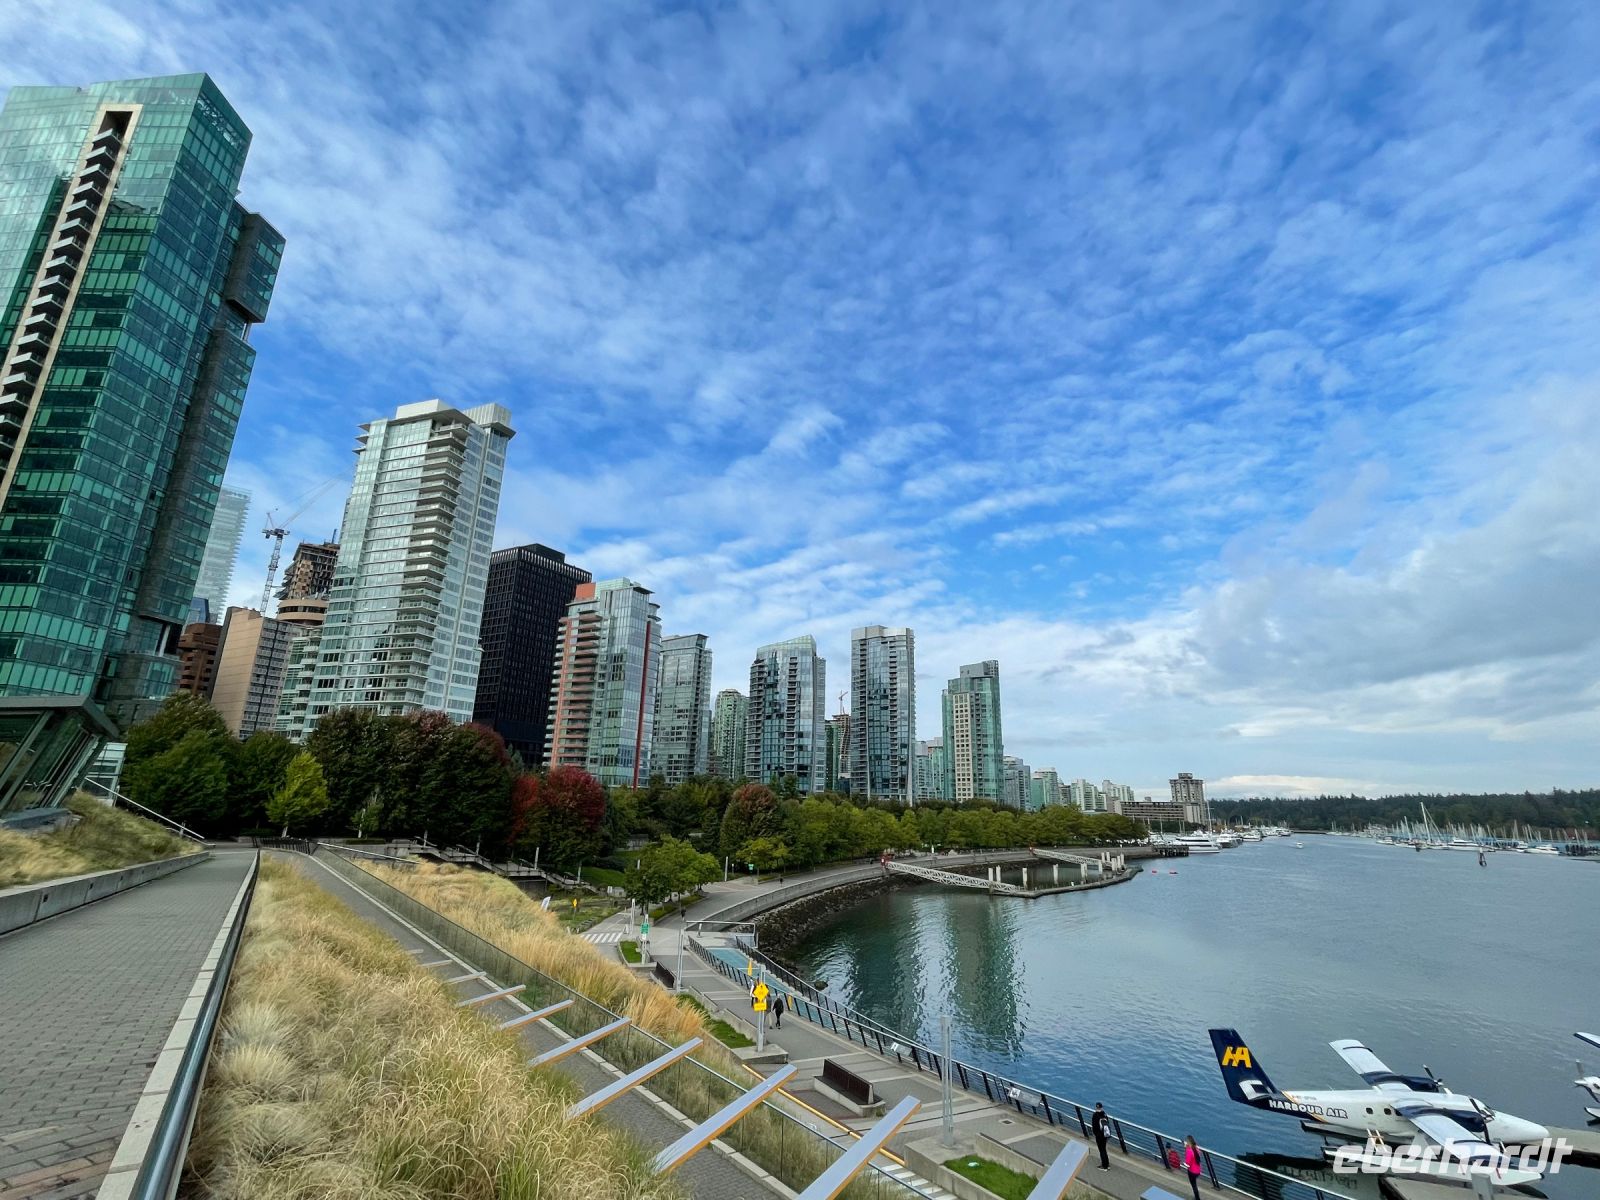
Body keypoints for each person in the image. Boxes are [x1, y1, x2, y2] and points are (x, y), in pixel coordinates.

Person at [1091, 1102, 1111, 1170]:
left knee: (1101, 1150)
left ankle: (1104, 1166)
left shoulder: (1095, 1115)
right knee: (1104, 1149)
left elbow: (1094, 1126)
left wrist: (1095, 1134)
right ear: (1101, 1107)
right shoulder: (1104, 1114)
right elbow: (1107, 1124)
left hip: (1099, 1136)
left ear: (1096, 1107)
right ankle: (1107, 1164)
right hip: (1105, 1135)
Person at [1183, 1135, 1203, 1200]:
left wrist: (1186, 1149)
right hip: (1198, 1170)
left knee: (1194, 1186)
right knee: (1195, 1184)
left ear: (1188, 1142)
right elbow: (1197, 1153)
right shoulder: (1196, 1148)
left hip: (1192, 1171)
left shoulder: (1189, 1151)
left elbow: (1187, 1164)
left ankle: (1197, 1198)